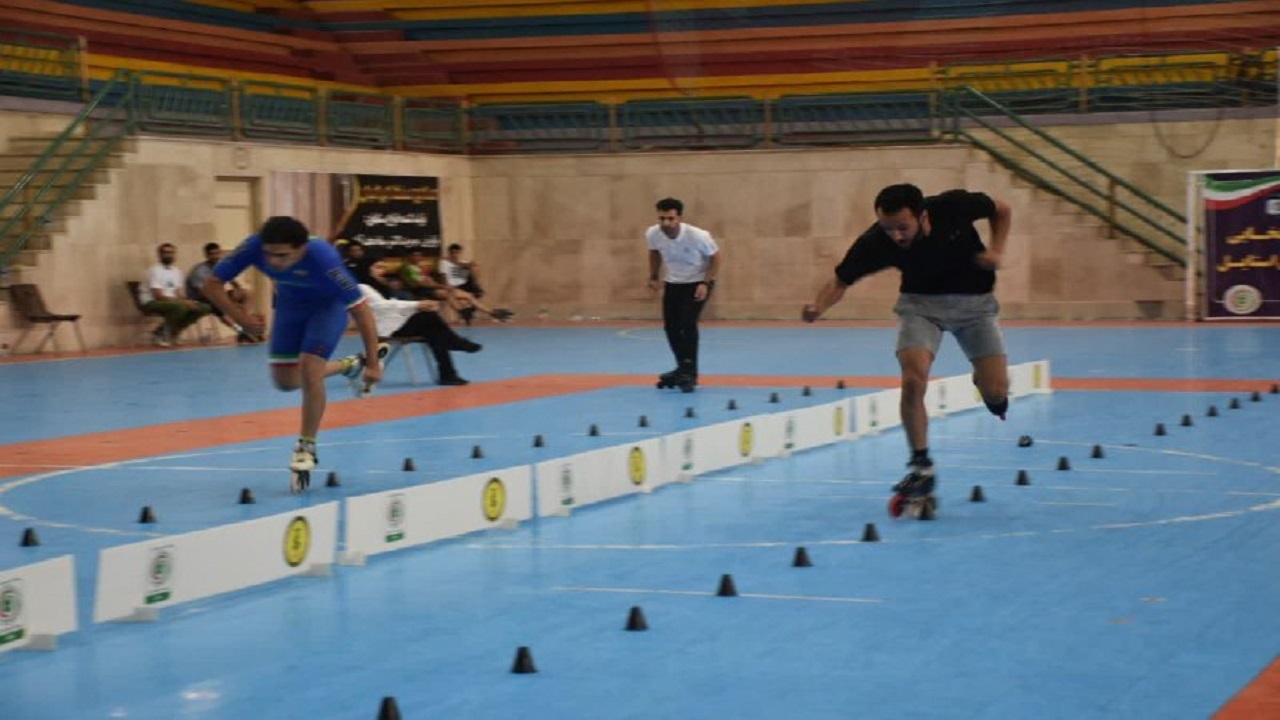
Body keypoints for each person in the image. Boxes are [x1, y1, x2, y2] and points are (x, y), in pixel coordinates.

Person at [801, 183, 1012, 506]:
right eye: (888, 228)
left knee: (997, 394)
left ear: (922, 216)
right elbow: (841, 279)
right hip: (920, 306)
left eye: (902, 227)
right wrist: (818, 307)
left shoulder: (954, 206)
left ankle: (984, 382)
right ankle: (920, 464)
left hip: (976, 306)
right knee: (913, 378)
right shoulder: (877, 241)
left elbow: (1002, 210)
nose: (896, 236)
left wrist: (996, 250)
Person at [203, 216, 383, 491]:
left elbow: (361, 309)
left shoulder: (323, 258)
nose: (274, 262)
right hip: (290, 307)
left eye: (283, 256)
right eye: (269, 255)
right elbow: (211, 284)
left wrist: (374, 362)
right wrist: (241, 319)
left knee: (310, 369)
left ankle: (306, 446)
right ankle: (348, 365)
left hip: (327, 309)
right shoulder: (254, 245)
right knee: (286, 382)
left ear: (301, 249)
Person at [646, 197, 720, 391]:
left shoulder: (698, 236)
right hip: (673, 282)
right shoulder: (653, 234)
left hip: (697, 282)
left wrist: (705, 283)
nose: (665, 223)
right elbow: (654, 252)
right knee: (670, 327)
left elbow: (715, 257)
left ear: (679, 218)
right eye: (662, 218)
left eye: (670, 219)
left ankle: (689, 372)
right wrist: (653, 276)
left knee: (687, 323)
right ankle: (683, 368)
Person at [359, 283, 482, 386]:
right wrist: (416, 305)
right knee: (430, 321)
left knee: (435, 332)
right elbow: (380, 306)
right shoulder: (360, 288)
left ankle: (449, 371)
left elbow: (393, 308)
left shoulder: (379, 284)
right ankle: (454, 349)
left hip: (398, 322)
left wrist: (418, 307)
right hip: (387, 328)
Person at [139, 243, 210, 347]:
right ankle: (160, 334)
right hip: (152, 302)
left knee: (203, 307)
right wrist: (182, 302)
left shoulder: (176, 271)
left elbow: (177, 293)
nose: (168, 255)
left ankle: (175, 330)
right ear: (159, 255)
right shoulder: (154, 271)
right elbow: (158, 296)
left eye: (171, 253)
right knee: (180, 307)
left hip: (172, 302)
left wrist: (188, 301)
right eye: (165, 253)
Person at [187, 242, 259, 344]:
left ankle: (245, 324)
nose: (215, 256)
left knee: (245, 294)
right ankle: (240, 331)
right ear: (206, 255)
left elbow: (233, 282)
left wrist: (238, 291)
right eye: (212, 254)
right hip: (200, 298)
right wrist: (227, 302)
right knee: (221, 306)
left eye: (217, 253)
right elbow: (202, 291)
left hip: (218, 294)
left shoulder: (221, 267)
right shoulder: (200, 270)